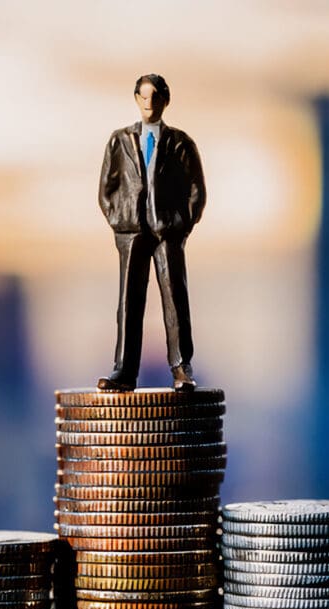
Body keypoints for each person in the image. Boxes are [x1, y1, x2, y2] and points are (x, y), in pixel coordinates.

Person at [96, 73, 207, 392]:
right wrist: (118, 218)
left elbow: (197, 189)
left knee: (175, 298)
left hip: (167, 231)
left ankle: (181, 368)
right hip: (131, 230)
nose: (149, 104)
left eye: (155, 97)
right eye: (143, 97)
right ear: (135, 99)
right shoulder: (120, 140)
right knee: (129, 302)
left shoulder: (180, 142)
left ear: (165, 100)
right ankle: (124, 370)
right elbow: (107, 188)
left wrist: (181, 224)